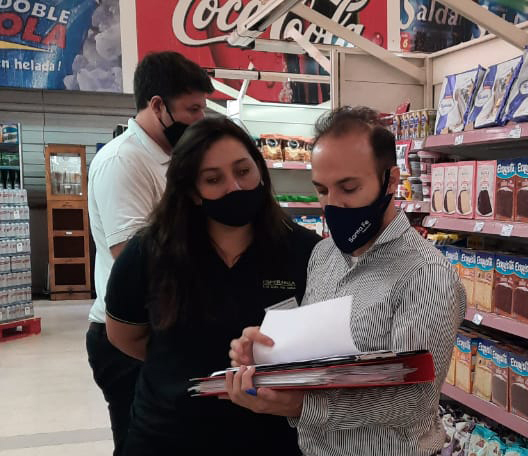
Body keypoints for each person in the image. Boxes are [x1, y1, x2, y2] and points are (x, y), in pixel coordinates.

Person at [226, 106, 466, 456]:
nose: (333, 204)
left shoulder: (425, 274)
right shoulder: (323, 255)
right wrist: (266, 355)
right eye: (322, 190)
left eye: (349, 188)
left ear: (391, 180)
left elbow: (411, 399)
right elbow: (314, 355)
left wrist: (302, 406)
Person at [104, 117, 320, 455]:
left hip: (270, 437)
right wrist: (181, 361)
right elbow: (124, 335)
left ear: (260, 170)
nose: (234, 187)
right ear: (192, 191)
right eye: (213, 179)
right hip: (167, 435)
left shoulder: (305, 251)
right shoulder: (150, 252)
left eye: (243, 171)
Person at [86, 51, 210, 454]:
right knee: (142, 443)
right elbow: (132, 258)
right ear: (158, 106)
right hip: (127, 334)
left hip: (164, 325)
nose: (200, 120)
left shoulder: (170, 158)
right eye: (192, 109)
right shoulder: (123, 161)